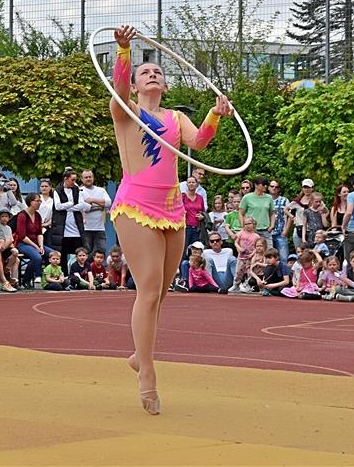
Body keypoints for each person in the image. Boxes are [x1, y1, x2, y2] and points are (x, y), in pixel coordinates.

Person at [106, 25, 233, 415]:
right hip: (135, 206)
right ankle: (147, 373)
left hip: (172, 207)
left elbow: (198, 144)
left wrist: (215, 112)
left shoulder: (177, 118)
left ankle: (138, 355)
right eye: (147, 72)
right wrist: (125, 51)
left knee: (160, 294)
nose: (153, 74)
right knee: (147, 289)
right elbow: (120, 88)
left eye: (158, 71)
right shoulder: (127, 110)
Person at [50, 168, 88, 261]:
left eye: (75, 180)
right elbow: (58, 206)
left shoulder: (76, 189)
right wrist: (70, 203)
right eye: (72, 180)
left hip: (76, 228)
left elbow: (81, 205)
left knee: (78, 252)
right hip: (62, 229)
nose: (74, 182)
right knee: (62, 254)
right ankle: (64, 274)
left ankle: (77, 272)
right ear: (66, 179)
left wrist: (68, 208)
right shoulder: (57, 190)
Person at [79, 170, 111, 258]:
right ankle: (87, 271)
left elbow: (108, 203)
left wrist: (92, 200)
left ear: (93, 178)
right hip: (85, 228)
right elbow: (83, 207)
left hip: (100, 228)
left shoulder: (101, 190)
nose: (88, 179)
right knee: (86, 253)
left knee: (101, 251)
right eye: (86, 177)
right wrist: (100, 206)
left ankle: (98, 271)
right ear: (82, 179)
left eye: (90, 177)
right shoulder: (79, 191)